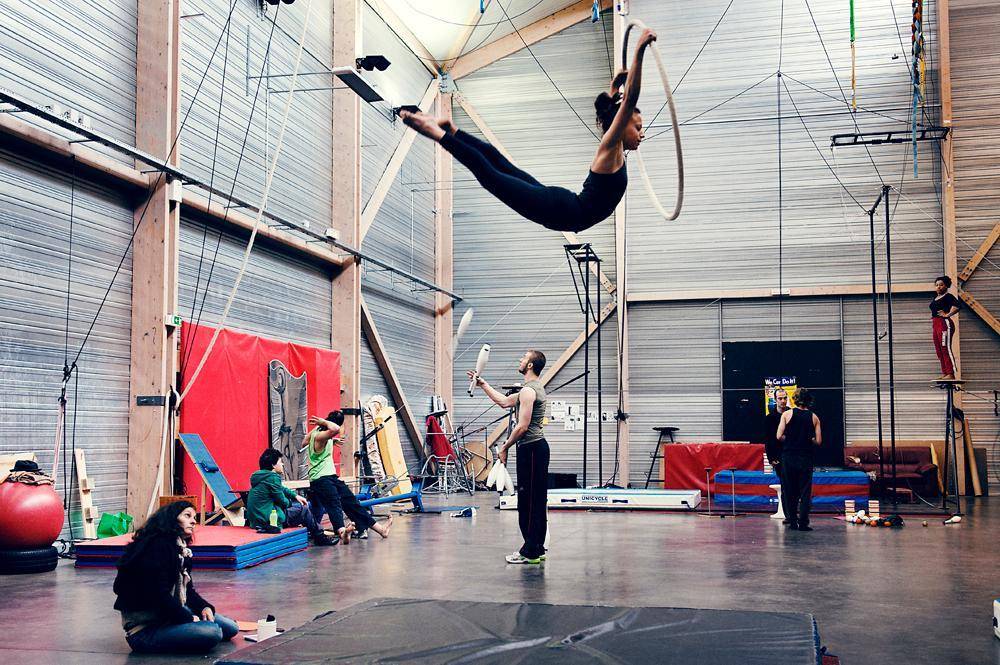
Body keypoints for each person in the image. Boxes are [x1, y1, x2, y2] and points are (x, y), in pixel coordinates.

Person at [397, 28, 659, 234]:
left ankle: (452, 130)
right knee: (491, 176)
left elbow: (616, 106)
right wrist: (639, 49)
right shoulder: (610, 148)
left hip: (561, 204)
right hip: (562, 211)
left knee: (501, 165)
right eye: (638, 127)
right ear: (622, 123)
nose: (642, 134)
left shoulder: (614, 147)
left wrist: (615, 87)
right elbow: (628, 100)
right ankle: (437, 133)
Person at [113, 501, 238, 654]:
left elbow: (188, 590)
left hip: (168, 616)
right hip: (146, 629)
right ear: (172, 518)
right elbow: (157, 595)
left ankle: (187, 628)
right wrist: (187, 618)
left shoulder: (180, 548)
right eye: (187, 516)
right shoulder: (156, 547)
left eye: (194, 517)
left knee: (231, 628)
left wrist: (203, 607)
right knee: (213, 632)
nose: (193, 521)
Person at [469, 349, 549, 564]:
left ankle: (530, 551)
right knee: (535, 500)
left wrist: (504, 446)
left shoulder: (529, 391)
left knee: (529, 502)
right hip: (535, 449)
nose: (520, 359)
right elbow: (504, 401)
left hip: (531, 449)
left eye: (524, 357)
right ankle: (537, 548)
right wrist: (483, 385)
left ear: (530, 365)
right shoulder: (529, 389)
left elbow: (522, 427)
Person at [305, 411, 393, 544]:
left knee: (352, 502)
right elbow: (334, 429)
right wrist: (324, 424)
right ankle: (342, 533)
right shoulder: (319, 435)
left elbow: (304, 442)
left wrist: (331, 440)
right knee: (334, 504)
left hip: (331, 477)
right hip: (320, 479)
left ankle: (381, 529)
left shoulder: (320, 435)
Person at [247, 448, 337, 546]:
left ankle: (315, 531)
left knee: (301, 506)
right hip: (269, 520)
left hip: (257, 519)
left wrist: (295, 496)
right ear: (273, 465)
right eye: (280, 462)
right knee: (304, 509)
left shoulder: (261, 477)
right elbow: (283, 502)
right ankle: (320, 537)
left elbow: (281, 488)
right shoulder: (273, 478)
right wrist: (291, 502)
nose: (282, 465)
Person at [776, 388, 822, 531]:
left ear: (794, 399)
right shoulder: (814, 417)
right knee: (805, 491)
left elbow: (779, 436)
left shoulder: (786, 414)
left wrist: (791, 439)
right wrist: (808, 440)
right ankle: (803, 522)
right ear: (809, 400)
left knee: (790, 490)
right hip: (805, 458)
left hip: (789, 457)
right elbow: (818, 441)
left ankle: (793, 522)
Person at [930, 275, 961, 380]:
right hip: (935, 324)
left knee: (945, 348)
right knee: (939, 350)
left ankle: (951, 373)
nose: (938, 287)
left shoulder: (948, 296)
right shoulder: (935, 298)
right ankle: (945, 373)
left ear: (946, 286)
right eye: (937, 285)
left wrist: (947, 315)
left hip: (944, 324)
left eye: (941, 285)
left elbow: (957, 306)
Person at [763, 388, 789, 482]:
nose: (783, 401)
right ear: (775, 399)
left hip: (792, 454)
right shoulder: (769, 418)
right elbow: (768, 439)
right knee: (784, 482)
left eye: (785, 398)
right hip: (778, 456)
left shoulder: (793, 414)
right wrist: (771, 458)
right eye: (780, 398)